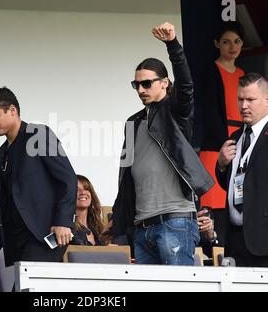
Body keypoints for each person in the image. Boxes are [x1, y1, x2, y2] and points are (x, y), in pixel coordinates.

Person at [108, 22, 214, 266]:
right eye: (137, 84)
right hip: (142, 227)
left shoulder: (176, 113)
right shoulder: (132, 123)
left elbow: (186, 86)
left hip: (174, 221)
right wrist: (119, 223)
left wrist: (172, 45)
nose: (141, 90)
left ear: (165, 83)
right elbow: (126, 177)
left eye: (147, 83)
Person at [0, 87, 76, 271]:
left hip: (44, 235)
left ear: (13, 110)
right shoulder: (1, 154)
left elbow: (67, 178)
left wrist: (64, 221)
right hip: (17, 240)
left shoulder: (37, 134)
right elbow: (4, 204)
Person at [194, 22, 245, 244]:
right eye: (226, 41)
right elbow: (211, 115)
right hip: (216, 145)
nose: (232, 46)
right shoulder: (209, 72)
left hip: (241, 140)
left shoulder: (244, 74)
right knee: (214, 204)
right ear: (217, 44)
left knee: (238, 200)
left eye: (237, 41)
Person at [216, 72, 268, 267]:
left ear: (267, 100)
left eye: (251, 100)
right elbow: (233, 183)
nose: (244, 106)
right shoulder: (235, 137)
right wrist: (221, 164)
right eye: (240, 99)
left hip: (263, 241)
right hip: (235, 240)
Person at [71, 175, 104, 246]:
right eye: (76, 189)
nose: (83, 192)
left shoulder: (98, 229)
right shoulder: (64, 227)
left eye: (86, 188)